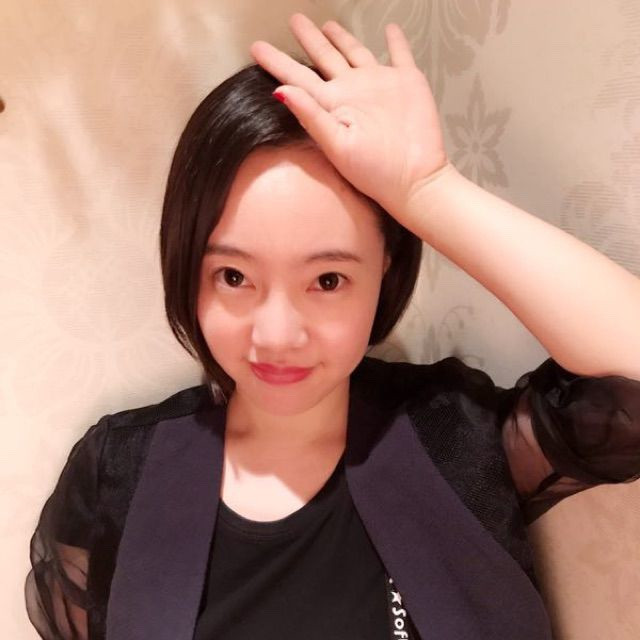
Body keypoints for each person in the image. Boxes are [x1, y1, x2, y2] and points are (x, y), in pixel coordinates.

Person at [24, 12, 640, 640]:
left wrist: (428, 190)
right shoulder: (116, 471)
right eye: (233, 276)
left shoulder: (455, 434)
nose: (276, 335)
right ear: (188, 270)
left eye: (327, 281)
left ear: (384, 272)